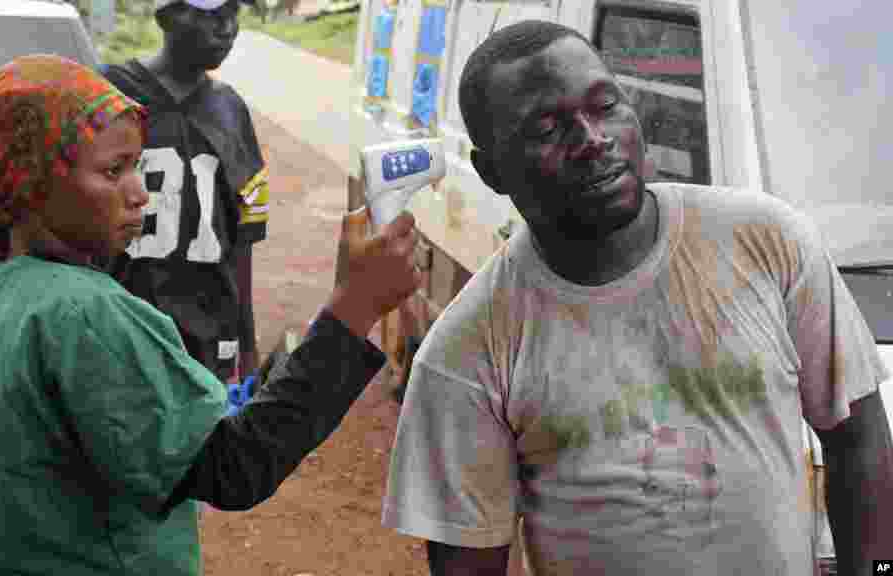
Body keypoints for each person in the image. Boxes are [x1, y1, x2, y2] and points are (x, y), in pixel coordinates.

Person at [0, 54, 421, 575]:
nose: (140, 193)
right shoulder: (82, 313)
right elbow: (235, 467)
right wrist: (355, 307)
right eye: (113, 172)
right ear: (31, 185)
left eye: (137, 165)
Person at [381, 21, 892, 576]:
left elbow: (859, 441)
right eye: (548, 128)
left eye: (605, 106)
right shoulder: (467, 353)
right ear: (492, 171)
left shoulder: (768, 241)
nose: (592, 139)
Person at [100, 0, 267, 386]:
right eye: (210, 15)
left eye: (232, 14)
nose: (226, 28)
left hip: (208, 339)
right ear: (166, 16)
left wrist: (247, 343)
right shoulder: (110, 93)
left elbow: (242, 238)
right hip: (121, 329)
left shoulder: (231, 110)